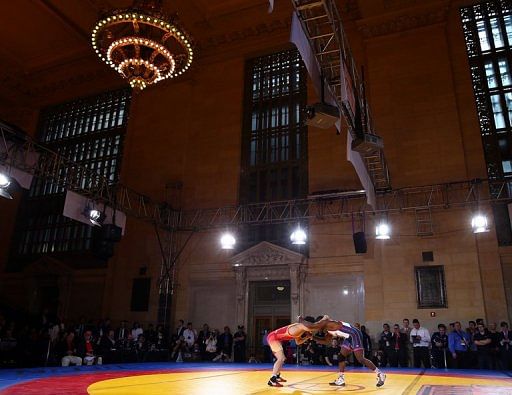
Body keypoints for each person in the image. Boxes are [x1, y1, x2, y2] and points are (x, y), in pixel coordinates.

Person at [311, 316, 386, 388]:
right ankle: (341, 379)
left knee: (360, 359)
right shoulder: (328, 330)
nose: (318, 329)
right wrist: (312, 337)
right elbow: (326, 342)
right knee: (341, 356)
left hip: (354, 334)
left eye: (318, 325)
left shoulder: (330, 323)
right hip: (349, 337)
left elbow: (326, 316)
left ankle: (380, 374)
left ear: (322, 323)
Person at [266, 315, 328, 387]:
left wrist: (306, 337)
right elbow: (313, 326)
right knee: (281, 358)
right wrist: (324, 320)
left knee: (282, 359)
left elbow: (298, 342)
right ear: (307, 324)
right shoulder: (300, 326)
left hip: (274, 338)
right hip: (273, 338)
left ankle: (277, 376)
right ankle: (272, 380)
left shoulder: (301, 330)